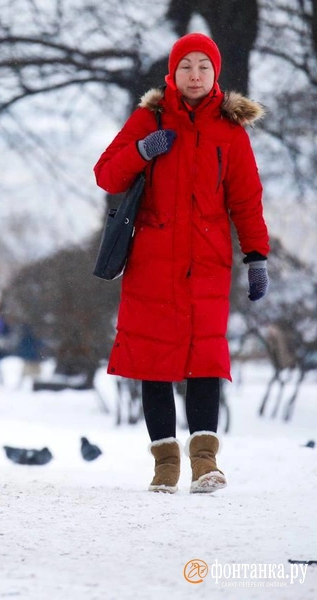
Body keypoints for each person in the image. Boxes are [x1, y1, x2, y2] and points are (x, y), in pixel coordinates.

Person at [94, 33, 269, 494]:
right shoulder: (148, 118)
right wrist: (142, 151)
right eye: (186, 66)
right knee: (154, 361)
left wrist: (256, 256)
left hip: (208, 264)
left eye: (204, 67)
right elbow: (106, 173)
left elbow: (247, 200)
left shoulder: (230, 131)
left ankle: (205, 463)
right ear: (173, 73)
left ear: (216, 75)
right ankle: (165, 465)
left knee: (206, 360)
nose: (195, 74)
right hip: (152, 261)